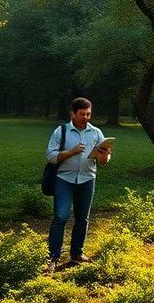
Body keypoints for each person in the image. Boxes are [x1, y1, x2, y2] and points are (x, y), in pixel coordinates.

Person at [44, 97, 112, 273]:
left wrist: (104, 156)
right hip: (64, 179)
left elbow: (103, 161)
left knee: (83, 219)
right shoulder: (62, 131)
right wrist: (71, 152)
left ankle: (77, 254)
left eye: (88, 114)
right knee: (61, 217)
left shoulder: (96, 132)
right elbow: (50, 156)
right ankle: (52, 257)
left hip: (87, 179)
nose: (86, 117)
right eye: (82, 114)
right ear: (73, 114)